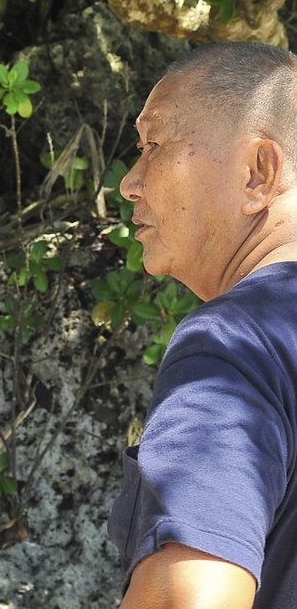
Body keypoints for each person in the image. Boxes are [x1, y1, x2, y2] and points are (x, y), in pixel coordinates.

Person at [107, 41, 297, 609]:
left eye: (153, 145)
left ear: (257, 173)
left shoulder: (237, 344)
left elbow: (187, 599)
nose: (129, 183)